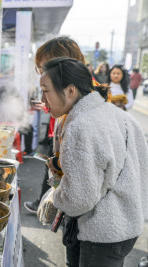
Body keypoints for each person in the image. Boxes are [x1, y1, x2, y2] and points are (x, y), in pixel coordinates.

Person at [41, 57, 148, 267]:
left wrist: (57, 196)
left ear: (70, 90)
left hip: (100, 233)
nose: (43, 100)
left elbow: (78, 200)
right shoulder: (119, 115)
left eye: (46, 91)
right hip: (126, 224)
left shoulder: (80, 126)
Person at [24, 36, 86, 214]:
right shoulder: (75, 98)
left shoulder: (84, 119)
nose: (41, 73)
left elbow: (83, 190)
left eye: (43, 67)